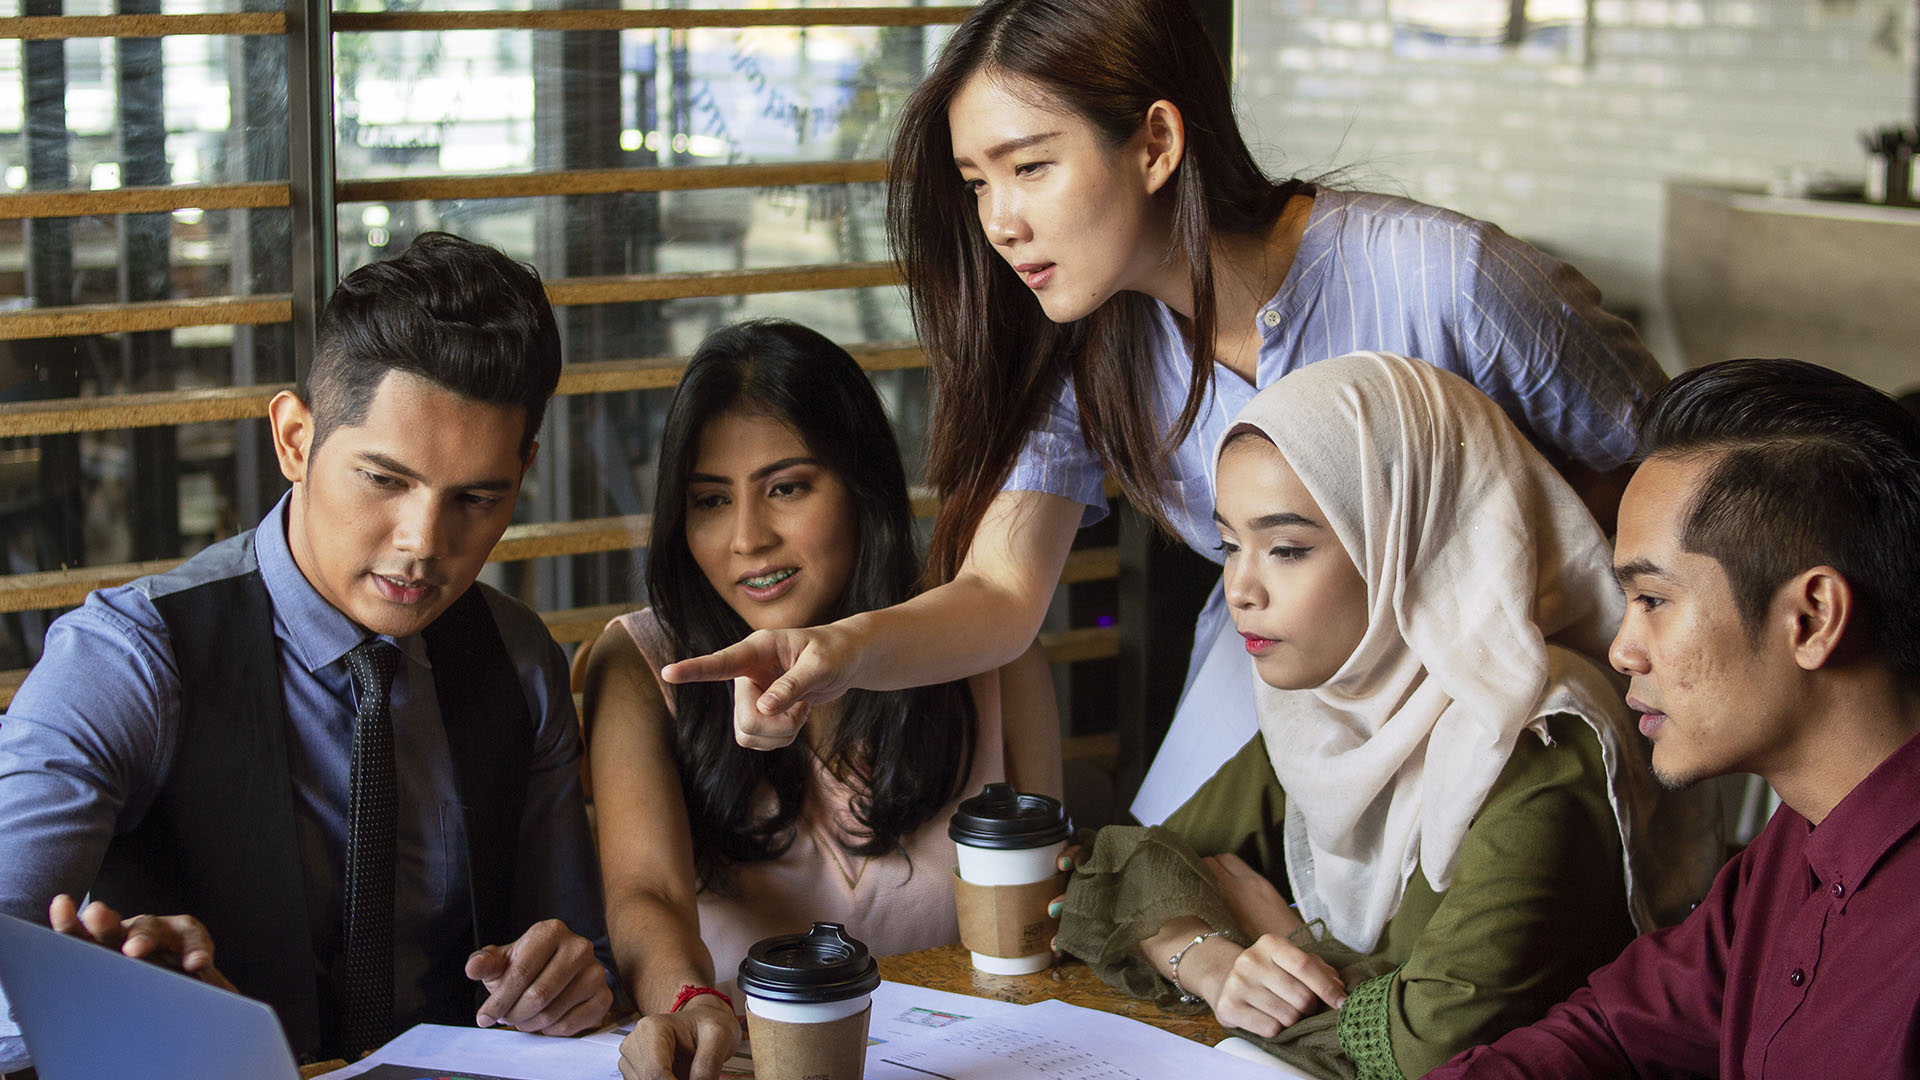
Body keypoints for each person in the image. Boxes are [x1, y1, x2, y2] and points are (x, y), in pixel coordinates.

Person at [659, 0, 1667, 819]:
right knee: (1164, 894)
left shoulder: (1445, 279)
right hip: (1281, 664)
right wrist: (836, 652)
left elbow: (1669, 470)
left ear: (1154, 142)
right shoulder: (1084, 341)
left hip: (1502, 669)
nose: (1000, 222)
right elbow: (1004, 596)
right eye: (976, 183)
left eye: (1031, 166)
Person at [0, 233, 613, 1066]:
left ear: (523, 472)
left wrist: (569, 981)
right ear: (295, 438)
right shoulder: (128, 658)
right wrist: (117, 996)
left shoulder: (518, 662)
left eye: (477, 496)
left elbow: (584, 954)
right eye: (384, 479)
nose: (423, 543)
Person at [1054, 353, 1723, 1080]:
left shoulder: (1541, 744)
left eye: (1286, 549)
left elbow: (1424, 1047)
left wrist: (1281, 940)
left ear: (1412, 541)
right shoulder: (1337, 706)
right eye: (1229, 544)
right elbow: (1109, 869)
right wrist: (1212, 959)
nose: (1241, 588)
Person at [581, 320, 1063, 1080]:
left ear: (861, 485)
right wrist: (689, 1002)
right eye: (710, 501)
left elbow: (1048, 901)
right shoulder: (642, 665)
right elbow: (649, 895)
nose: (747, 538)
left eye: (786, 487)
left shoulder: (990, 651)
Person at [1427, 359, 1920, 1079]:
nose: (1623, 651)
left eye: (1653, 599)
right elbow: (1613, 1032)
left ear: (1811, 618)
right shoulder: (1794, 845)